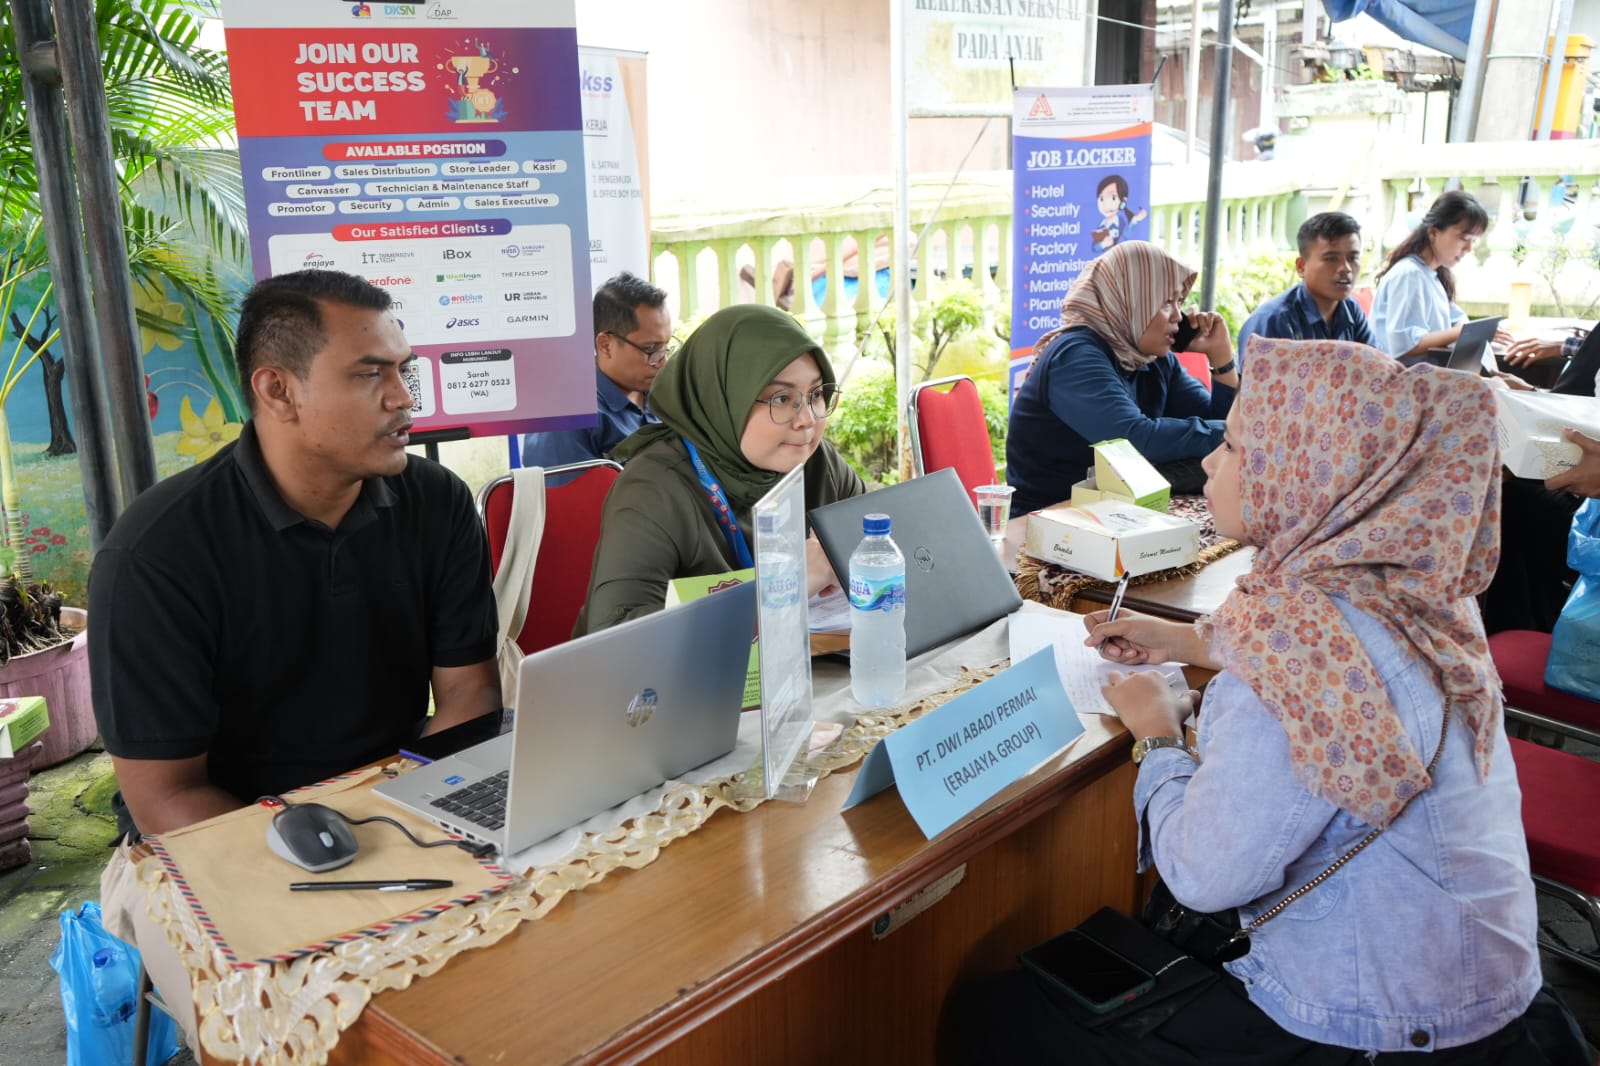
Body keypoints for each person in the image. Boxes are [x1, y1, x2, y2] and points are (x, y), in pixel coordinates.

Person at [945, 337, 1590, 1064]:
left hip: (1373, 1023)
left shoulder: (1301, 647)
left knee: (993, 1018)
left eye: (1234, 445)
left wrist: (1156, 732)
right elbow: (1353, 668)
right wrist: (1187, 642)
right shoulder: (1412, 583)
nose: (1213, 463)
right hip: (1490, 996)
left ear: (1307, 473)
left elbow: (1202, 874)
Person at [90, 270, 501, 1046]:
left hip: (394, 809)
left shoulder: (436, 504)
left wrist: (414, 823)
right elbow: (165, 801)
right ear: (277, 391)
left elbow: (470, 699)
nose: (404, 398)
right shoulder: (157, 555)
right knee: (328, 1027)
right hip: (204, 851)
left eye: (403, 371)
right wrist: (346, 880)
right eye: (370, 374)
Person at [574, 303, 865, 634]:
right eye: (781, 399)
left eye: (815, 394)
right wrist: (787, 585)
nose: (807, 420)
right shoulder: (653, 489)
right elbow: (613, 636)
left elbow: (881, 540)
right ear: (723, 399)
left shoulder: (816, 463)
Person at [1005, 241, 1237, 513]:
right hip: (1047, 522)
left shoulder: (1152, 359)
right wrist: (1237, 434)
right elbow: (1135, 439)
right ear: (1130, 301)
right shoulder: (1075, 356)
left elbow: (1218, 428)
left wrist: (1221, 359)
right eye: (1165, 302)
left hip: (1117, 513)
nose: (1179, 315)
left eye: (1179, 302)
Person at [520, 271, 674, 468]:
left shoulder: (665, 395)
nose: (662, 360)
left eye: (666, 346)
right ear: (605, 344)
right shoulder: (566, 419)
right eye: (650, 349)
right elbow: (567, 496)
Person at [1370, 190, 1511, 359]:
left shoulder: (1433, 275)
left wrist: (1472, 331)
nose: (1468, 249)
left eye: (1473, 241)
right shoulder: (1409, 275)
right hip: (1404, 379)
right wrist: (1463, 332)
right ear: (1434, 232)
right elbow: (1405, 346)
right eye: (1464, 238)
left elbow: (1457, 319)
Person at [1235, 211, 1375, 356]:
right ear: (1301, 267)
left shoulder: (1351, 309)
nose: (1345, 268)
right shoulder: (1272, 321)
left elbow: (1376, 368)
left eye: (1353, 258)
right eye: (1332, 259)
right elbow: (1253, 378)